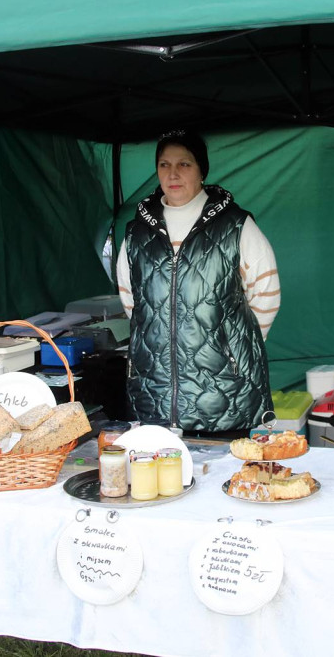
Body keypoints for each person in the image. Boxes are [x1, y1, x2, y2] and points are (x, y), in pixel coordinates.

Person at [116, 130, 280, 435]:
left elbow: (266, 294)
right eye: (164, 165)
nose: (173, 174)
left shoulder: (235, 225)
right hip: (155, 392)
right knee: (160, 465)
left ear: (201, 171)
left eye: (184, 164)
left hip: (224, 393)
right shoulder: (136, 233)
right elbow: (132, 302)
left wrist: (234, 348)